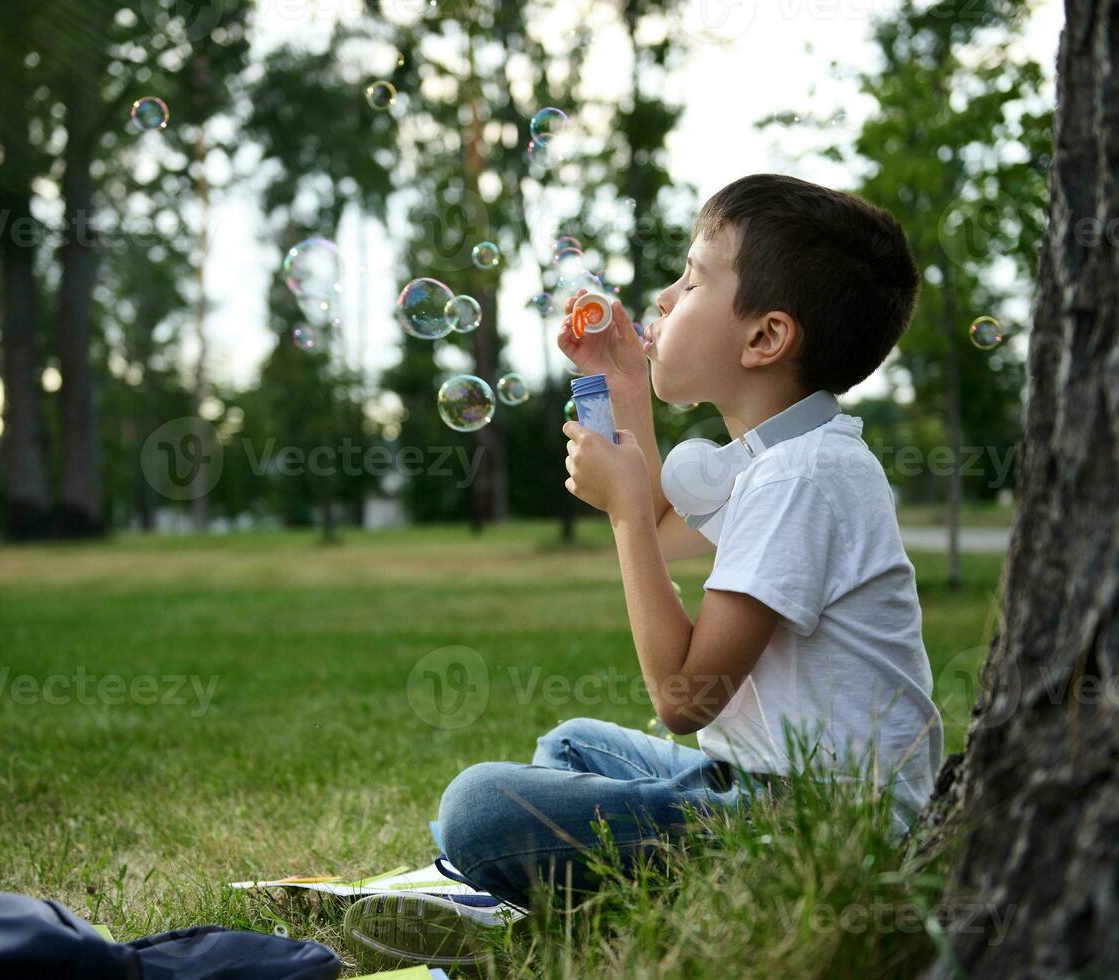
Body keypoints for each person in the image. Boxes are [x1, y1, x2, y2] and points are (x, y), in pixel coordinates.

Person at [343, 174, 944, 970]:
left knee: (480, 807)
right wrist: (620, 389)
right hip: (760, 782)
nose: (665, 294)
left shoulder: (802, 478)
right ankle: (609, 893)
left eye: (692, 279)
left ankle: (587, 895)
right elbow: (665, 531)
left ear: (764, 339)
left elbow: (684, 699)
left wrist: (625, 511)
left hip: (812, 823)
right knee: (572, 743)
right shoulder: (785, 456)